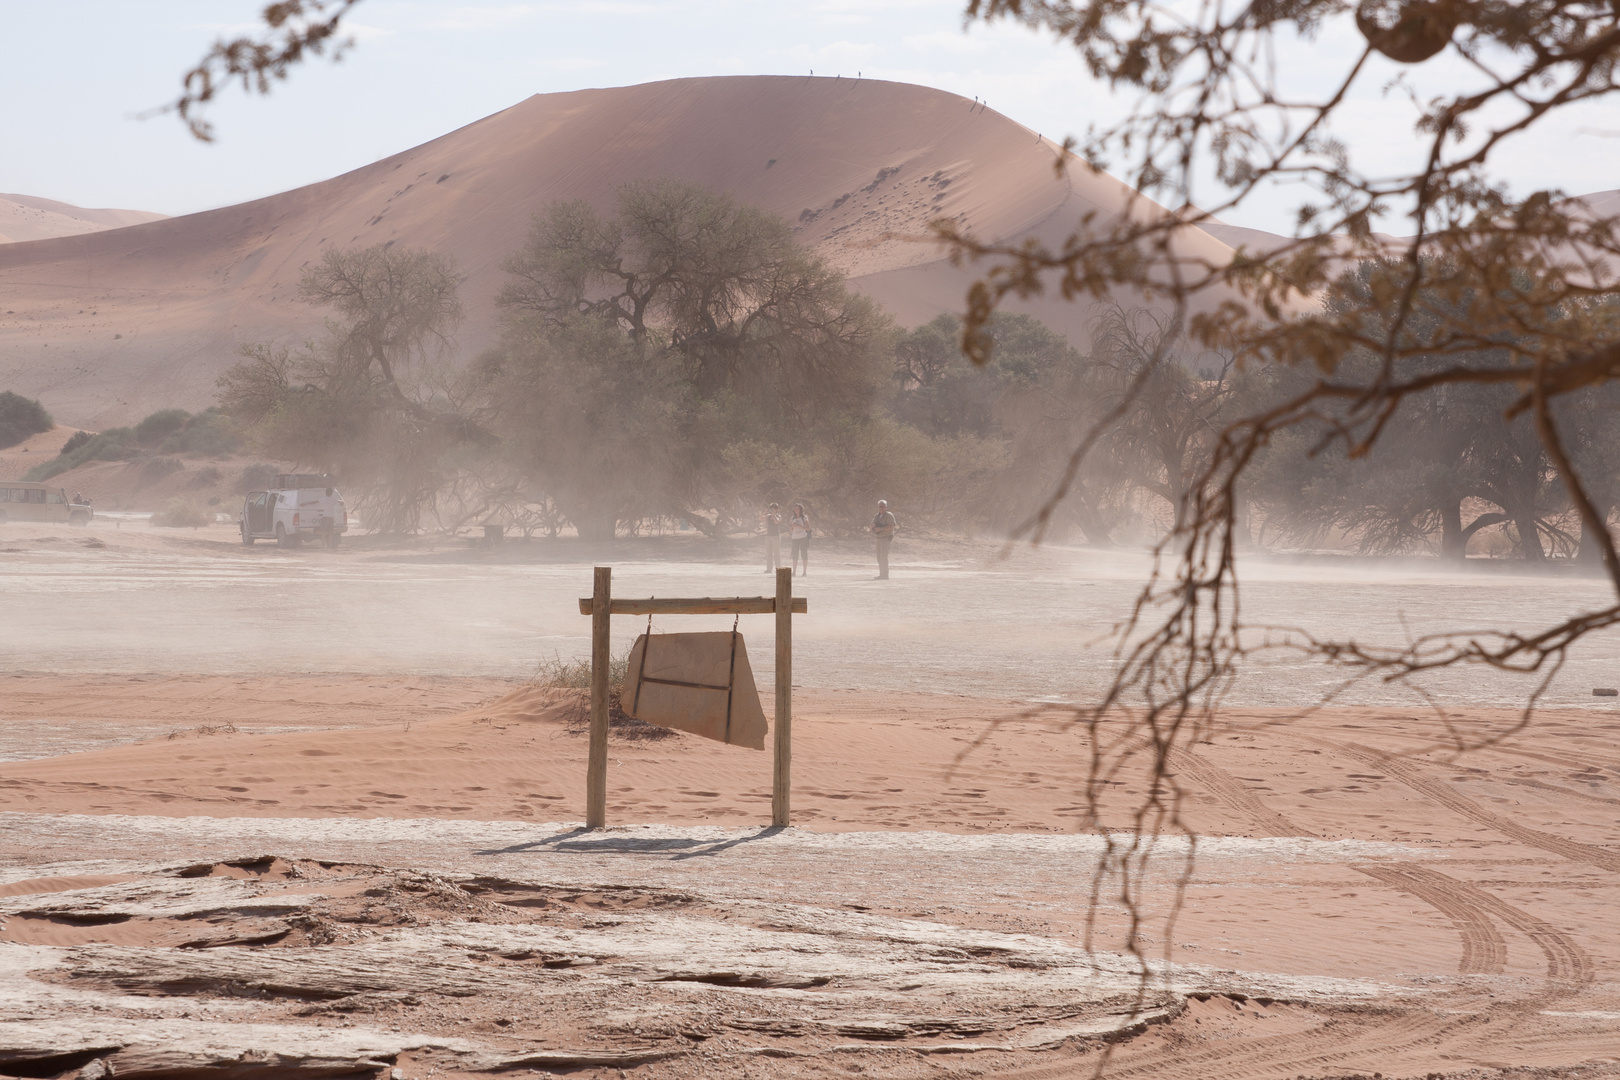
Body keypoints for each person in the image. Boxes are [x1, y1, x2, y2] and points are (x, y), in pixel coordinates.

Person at [871, 499, 897, 579]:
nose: (881, 508)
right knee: (879, 557)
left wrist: (881, 529)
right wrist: (872, 526)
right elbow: (873, 523)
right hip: (878, 538)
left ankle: (885, 575)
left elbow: (891, 526)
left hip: (886, 538)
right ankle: (882, 574)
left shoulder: (889, 515)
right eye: (880, 507)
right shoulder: (877, 516)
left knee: (883, 557)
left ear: (886, 507)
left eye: (883, 506)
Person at [789, 503, 811, 576]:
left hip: (803, 538)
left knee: (804, 554)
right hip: (795, 538)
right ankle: (794, 571)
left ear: (801, 509)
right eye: (795, 509)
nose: (796, 510)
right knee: (795, 555)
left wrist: (799, 526)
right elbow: (791, 529)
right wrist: (792, 526)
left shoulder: (804, 517)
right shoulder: (792, 518)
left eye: (797, 509)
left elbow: (808, 528)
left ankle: (804, 571)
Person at [762, 502, 783, 572]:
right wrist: (764, 512)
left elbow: (776, 522)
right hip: (768, 535)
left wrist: (773, 515)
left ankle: (778, 568)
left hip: (776, 536)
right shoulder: (768, 516)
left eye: (772, 508)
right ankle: (769, 568)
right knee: (769, 553)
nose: (771, 509)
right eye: (770, 508)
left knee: (776, 553)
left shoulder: (779, 516)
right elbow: (760, 518)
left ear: (776, 509)